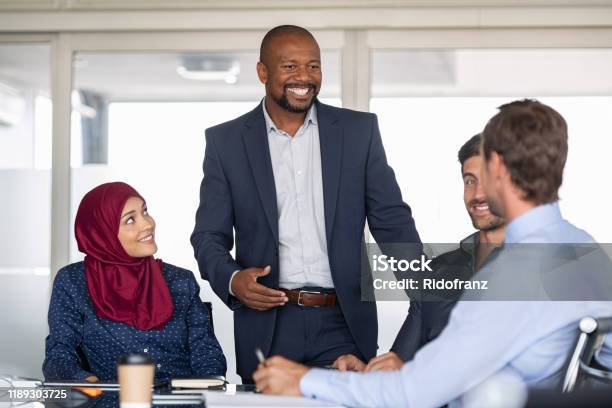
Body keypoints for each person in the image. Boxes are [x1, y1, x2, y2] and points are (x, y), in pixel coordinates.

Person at [253, 99, 612, 407]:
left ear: (497, 167)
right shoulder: (587, 252)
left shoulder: (509, 278)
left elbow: (414, 395)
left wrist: (303, 380)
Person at [191, 25, 420, 381]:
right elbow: (208, 236)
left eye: (313, 66)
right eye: (290, 66)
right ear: (262, 72)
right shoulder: (226, 142)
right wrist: (234, 280)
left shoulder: (359, 132)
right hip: (268, 322)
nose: (304, 77)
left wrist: (430, 296)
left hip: (342, 321)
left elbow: (392, 222)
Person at [333, 133, 506, 373]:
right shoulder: (439, 272)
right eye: (469, 181)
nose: (477, 194)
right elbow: (400, 363)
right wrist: (367, 373)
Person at [43, 182, 226, 382]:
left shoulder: (181, 281)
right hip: (111, 402)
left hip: (183, 401)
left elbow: (206, 353)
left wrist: (209, 389)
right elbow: (59, 355)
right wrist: (83, 381)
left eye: (145, 212)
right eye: (130, 220)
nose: (148, 224)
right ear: (102, 234)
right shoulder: (74, 282)